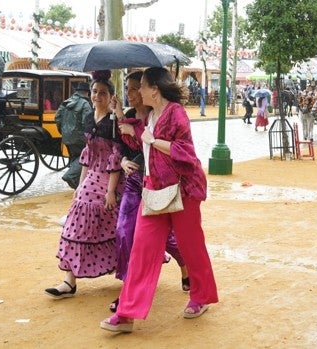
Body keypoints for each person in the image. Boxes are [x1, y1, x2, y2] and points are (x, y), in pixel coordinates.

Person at [100, 67, 218, 333]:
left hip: (183, 190)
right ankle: (126, 314)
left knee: (191, 247)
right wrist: (123, 119)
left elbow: (185, 152)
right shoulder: (151, 115)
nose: (138, 90)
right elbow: (140, 135)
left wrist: (153, 141)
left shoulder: (176, 112)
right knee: (141, 252)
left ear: (155, 88)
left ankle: (201, 296)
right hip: (153, 191)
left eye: (141, 85)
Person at [109, 70, 189, 312]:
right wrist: (123, 160)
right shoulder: (131, 115)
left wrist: (141, 134)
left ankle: (187, 268)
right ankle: (127, 291)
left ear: (152, 89)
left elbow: (173, 148)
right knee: (125, 232)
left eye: (136, 88)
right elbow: (122, 145)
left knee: (167, 238)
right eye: (130, 89)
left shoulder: (163, 114)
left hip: (160, 184)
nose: (131, 93)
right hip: (135, 181)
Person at [45, 71, 124, 299]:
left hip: (111, 178)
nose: (97, 96)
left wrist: (110, 191)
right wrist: (80, 185)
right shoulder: (90, 118)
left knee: (112, 227)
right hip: (91, 178)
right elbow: (88, 154)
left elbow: (116, 157)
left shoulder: (113, 122)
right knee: (75, 224)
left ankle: (128, 270)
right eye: (94, 92)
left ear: (111, 96)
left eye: (103, 92)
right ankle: (69, 280)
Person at [55, 82, 93, 189]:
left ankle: (78, 186)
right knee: (84, 158)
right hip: (80, 138)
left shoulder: (66, 102)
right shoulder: (85, 104)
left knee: (74, 158)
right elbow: (88, 123)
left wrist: (63, 132)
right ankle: (70, 176)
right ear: (87, 93)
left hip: (67, 137)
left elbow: (57, 118)